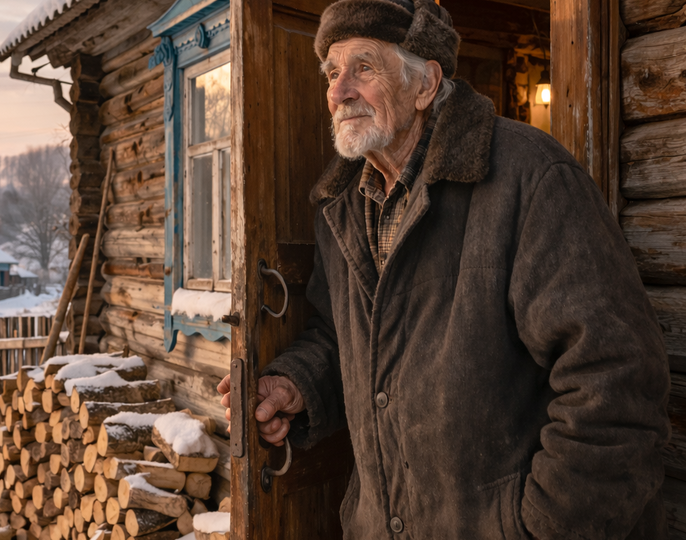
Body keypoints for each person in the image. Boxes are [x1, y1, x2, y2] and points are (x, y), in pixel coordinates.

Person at [215, 0, 670, 538]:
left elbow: (614, 385)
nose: (338, 92)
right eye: (333, 73)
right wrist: (297, 384)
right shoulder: (342, 204)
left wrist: (538, 528)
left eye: (363, 67)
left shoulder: (530, 178)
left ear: (425, 84)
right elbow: (347, 338)